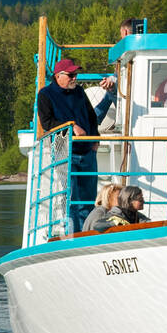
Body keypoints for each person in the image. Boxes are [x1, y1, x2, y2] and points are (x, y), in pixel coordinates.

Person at [37, 58, 117, 232]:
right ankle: (75, 235)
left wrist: (96, 139)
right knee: (72, 197)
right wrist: (71, 126)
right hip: (64, 152)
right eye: (71, 75)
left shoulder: (79, 91)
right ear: (58, 76)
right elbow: (47, 123)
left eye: (76, 74)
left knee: (88, 198)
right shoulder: (45, 95)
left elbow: (90, 116)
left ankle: (87, 234)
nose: (75, 78)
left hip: (87, 151)